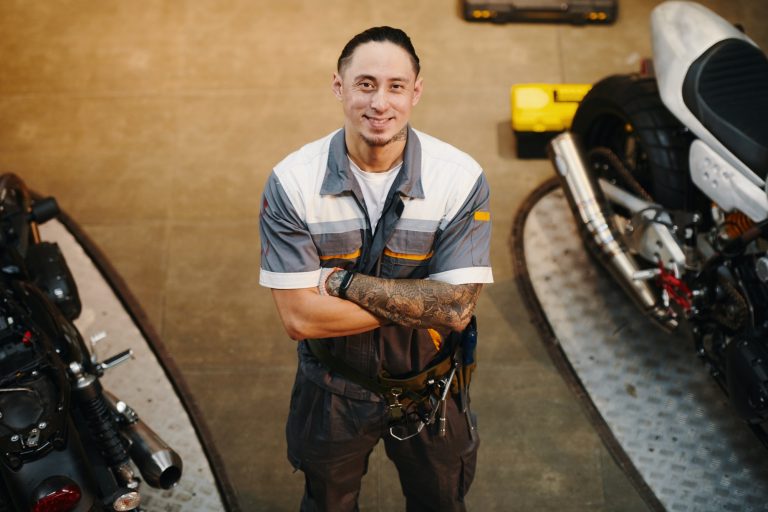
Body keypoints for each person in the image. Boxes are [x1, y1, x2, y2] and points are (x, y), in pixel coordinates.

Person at [259, 26, 493, 512]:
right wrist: (419, 301)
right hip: (331, 391)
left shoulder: (459, 178)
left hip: (429, 390)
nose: (380, 103)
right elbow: (300, 320)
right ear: (339, 86)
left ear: (416, 91)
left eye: (395, 86)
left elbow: (455, 310)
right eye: (365, 84)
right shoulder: (293, 183)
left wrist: (341, 284)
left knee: (440, 502)